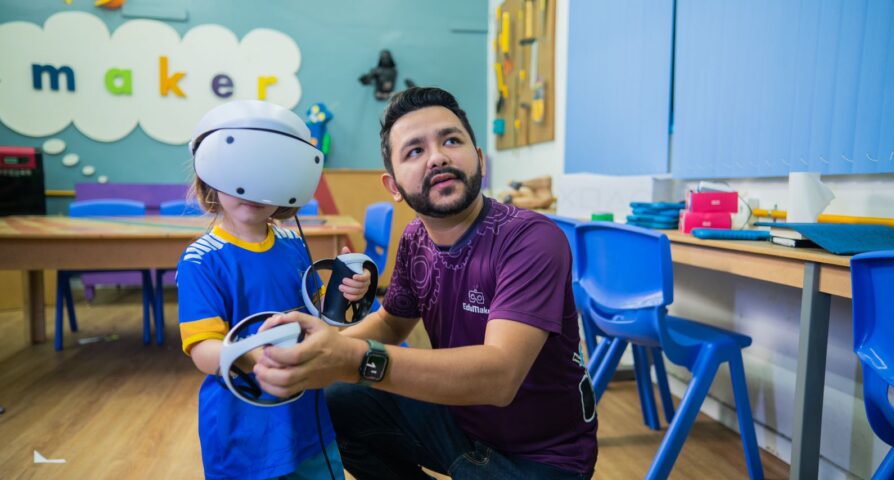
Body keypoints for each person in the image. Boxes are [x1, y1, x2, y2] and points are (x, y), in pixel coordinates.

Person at [254, 87, 598, 479]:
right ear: (394, 187)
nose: (437, 157)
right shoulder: (416, 238)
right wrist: (318, 350)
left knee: (351, 378)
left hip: (539, 459)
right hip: (459, 426)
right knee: (342, 399)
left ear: (480, 160)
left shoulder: (531, 238)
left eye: (451, 140)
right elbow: (390, 322)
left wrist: (352, 358)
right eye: (414, 151)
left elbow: (500, 377)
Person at [176, 100, 371, 480]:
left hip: (307, 420)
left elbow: (317, 320)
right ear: (208, 176)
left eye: (268, 172)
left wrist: (345, 293)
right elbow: (202, 350)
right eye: (237, 171)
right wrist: (259, 358)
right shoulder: (201, 259)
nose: (251, 186)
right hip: (244, 430)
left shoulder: (294, 245)